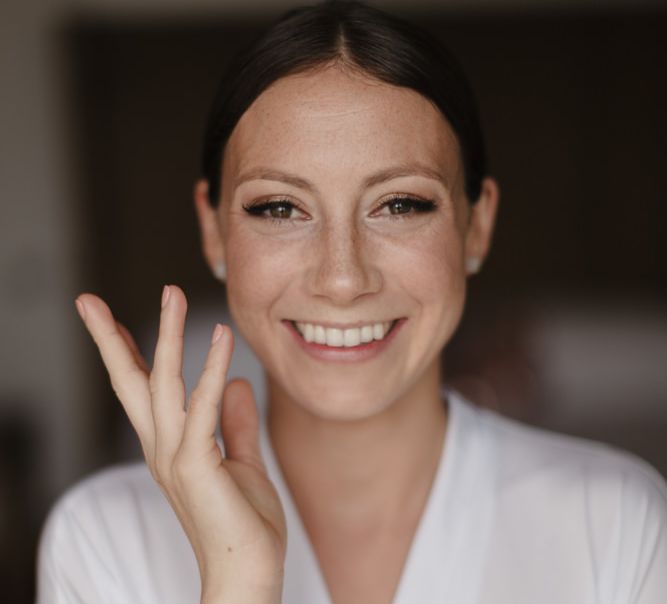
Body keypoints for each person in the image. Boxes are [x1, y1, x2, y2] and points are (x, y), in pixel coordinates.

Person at [36, 2, 667, 603]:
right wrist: (241, 584)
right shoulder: (105, 538)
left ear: (477, 225)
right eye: (280, 208)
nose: (342, 280)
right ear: (213, 229)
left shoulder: (613, 522)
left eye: (401, 205)